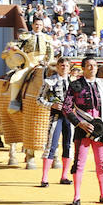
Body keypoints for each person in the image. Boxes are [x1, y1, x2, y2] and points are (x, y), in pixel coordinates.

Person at [64, 55, 103, 205]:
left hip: (100, 128)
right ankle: (76, 196)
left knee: (101, 162)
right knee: (79, 162)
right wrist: (80, 123)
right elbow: (66, 107)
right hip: (83, 128)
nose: (92, 68)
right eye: (89, 66)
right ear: (83, 68)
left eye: (94, 65)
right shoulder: (75, 85)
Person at [35, 56, 74, 187]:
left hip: (70, 118)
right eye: (62, 66)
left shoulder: (74, 82)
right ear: (57, 67)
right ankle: (44, 178)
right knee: (51, 145)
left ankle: (64, 176)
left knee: (68, 145)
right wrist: (51, 105)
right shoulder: (49, 81)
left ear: (70, 68)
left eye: (67, 66)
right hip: (56, 116)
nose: (64, 68)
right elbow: (39, 99)